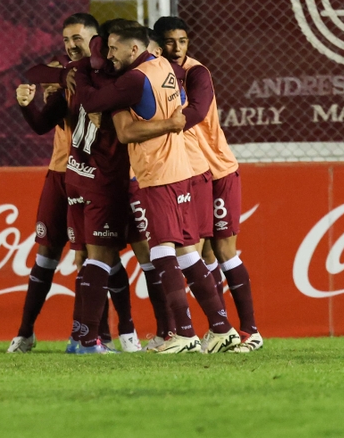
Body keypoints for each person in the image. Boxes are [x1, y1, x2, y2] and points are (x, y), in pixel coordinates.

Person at [77, 21, 241, 353]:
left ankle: (183, 334)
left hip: (158, 172)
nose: (109, 55)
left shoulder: (134, 80)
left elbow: (97, 107)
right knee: (184, 251)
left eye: (113, 49)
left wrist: (83, 71)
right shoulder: (163, 65)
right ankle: (223, 329)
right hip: (180, 168)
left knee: (162, 250)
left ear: (133, 49)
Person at [8, 13, 138, 353]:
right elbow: (39, 90)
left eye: (77, 39)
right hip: (61, 173)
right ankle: (26, 334)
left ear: (96, 41)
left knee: (100, 255)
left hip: (99, 173)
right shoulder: (64, 75)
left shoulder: (112, 76)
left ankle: (116, 333)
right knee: (48, 252)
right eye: (66, 40)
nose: (70, 46)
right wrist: (33, 98)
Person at [152, 16, 263, 352]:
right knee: (200, 251)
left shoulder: (197, 73)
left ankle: (249, 332)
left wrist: (146, 125)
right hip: (192, 173)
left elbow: (197, 113)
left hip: (219, 170)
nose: (177, 48)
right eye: (171, 41)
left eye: (182, 41)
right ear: (158, 43)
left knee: (223, 250)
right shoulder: (158, 74)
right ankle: (220, 330)